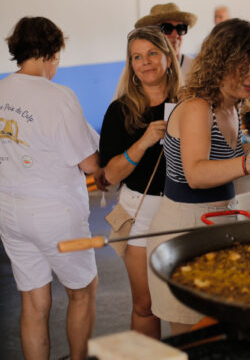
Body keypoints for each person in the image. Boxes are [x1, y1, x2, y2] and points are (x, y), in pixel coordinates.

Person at [147, 18, 250, 334]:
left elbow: (227, 156)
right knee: (192, 337)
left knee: (216, 331)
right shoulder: (198, 107)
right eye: (246, 67)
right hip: (184, 226)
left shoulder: (230, 107)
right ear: (221, 62)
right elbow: (197, 174)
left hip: (218, 220)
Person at [0, 17, 102, 360]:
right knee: (84, 291)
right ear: (53, 52)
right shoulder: (59, 96)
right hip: (57, 216)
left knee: (33, 301)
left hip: (9, 213)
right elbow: (89, 164)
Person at [99, 26, 181, 339]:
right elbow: (111, 174)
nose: (145, 62)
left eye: (152, 54)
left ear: (169, 59)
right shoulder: (120, 111)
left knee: (183, 305)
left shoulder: (190, 105)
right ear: (131, 65)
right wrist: (144, 141)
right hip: (141, 212)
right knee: (145, 304)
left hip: (183, 207)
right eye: (137, 57)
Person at [114, 3, 196, 98]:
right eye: (167, 28)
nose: (175, 35)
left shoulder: (195, 68)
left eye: (181, 28)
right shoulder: (137, 70)